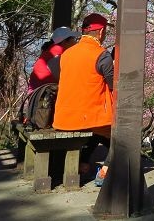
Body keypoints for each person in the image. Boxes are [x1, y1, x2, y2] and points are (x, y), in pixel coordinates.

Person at [53, 12, 115, 187]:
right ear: (101, 32)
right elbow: (112, 85)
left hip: (64, 118)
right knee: (121, 139)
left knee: (95, 132)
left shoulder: (67, 54)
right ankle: (105, 172)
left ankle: (83, 163)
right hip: (89, 117)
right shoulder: (101, 54)